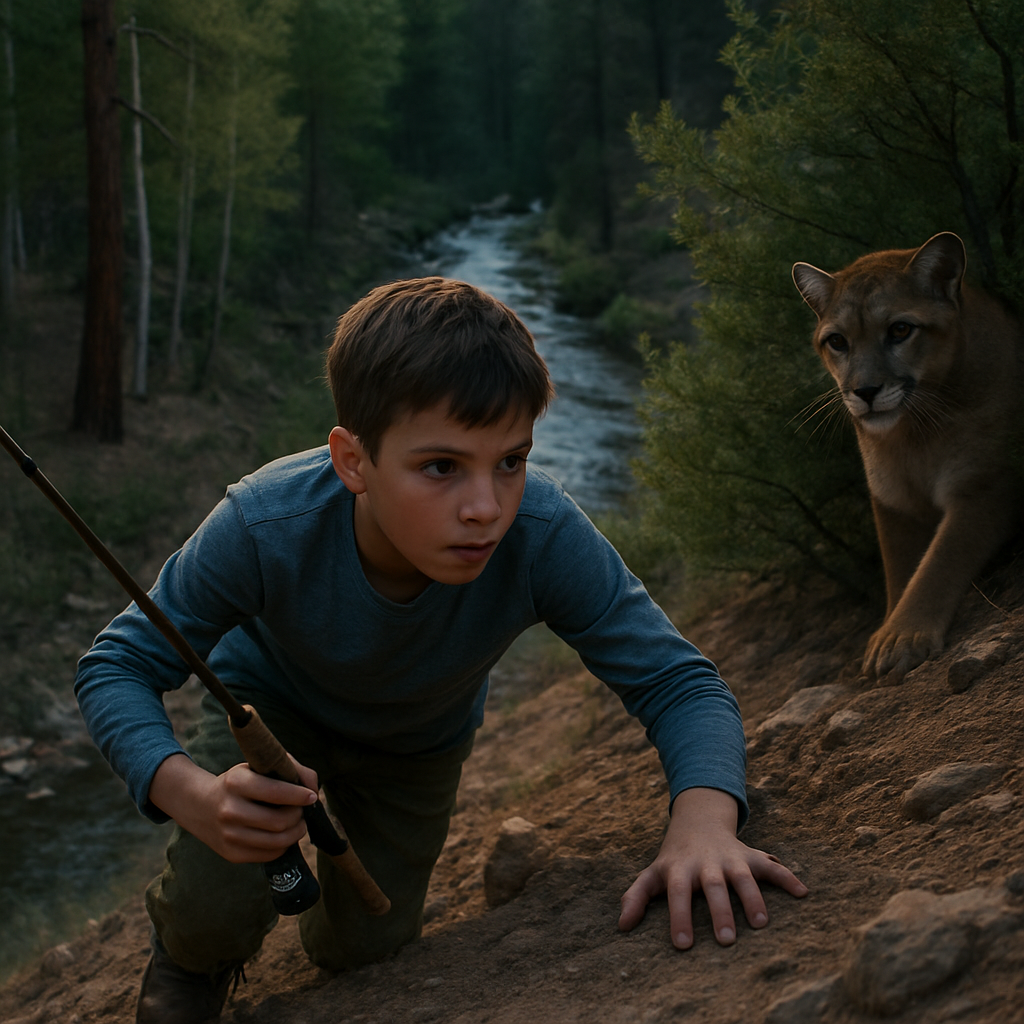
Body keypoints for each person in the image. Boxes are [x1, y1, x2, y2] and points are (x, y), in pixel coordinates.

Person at [75, 277, 806, 1024]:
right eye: (441, 467)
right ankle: (189, 963)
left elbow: (679, 683)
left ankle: (322, 922)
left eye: (511, 461)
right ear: (353, 461)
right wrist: (190, 794)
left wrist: (705, 826)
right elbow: (117, 665)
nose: (486, 507)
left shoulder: (542, 534)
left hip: (417, 750)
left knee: (367, 948)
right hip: (270, 719)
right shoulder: (264, 524)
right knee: (209, 908)